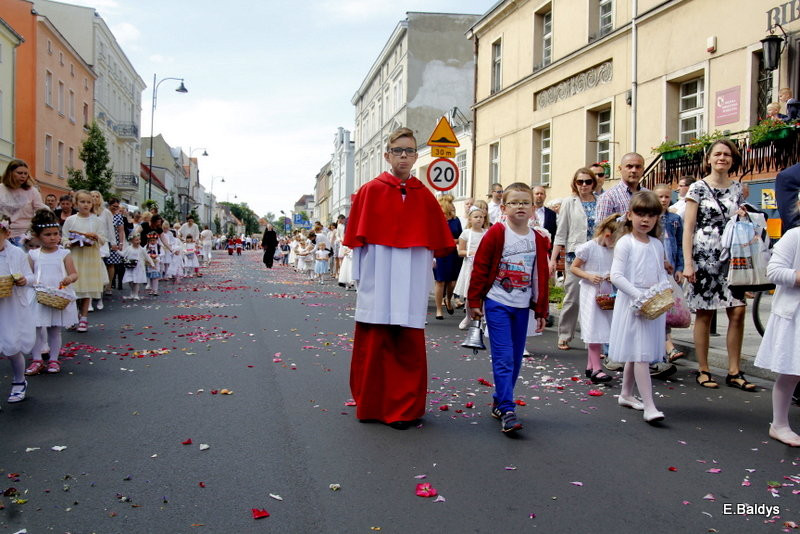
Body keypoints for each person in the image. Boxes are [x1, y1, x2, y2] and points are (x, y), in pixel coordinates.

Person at [343, 127, 454, 429]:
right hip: (378, 272)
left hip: (412, 274)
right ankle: (371, 404)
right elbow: (358, 242)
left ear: (416, 156)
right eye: (398, 151)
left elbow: (434, 242)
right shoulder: (370, 190)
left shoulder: (424, 195)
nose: (403, 156)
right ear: (387, 155)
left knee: (406, 341)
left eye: (409, 151)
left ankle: (404, 409)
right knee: (376, 340)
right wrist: (359, 279)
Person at [468, 182, 550, 434]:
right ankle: (507, 407)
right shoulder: (496, 233)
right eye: (514, 202)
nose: (520, 207)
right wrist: (474, 301)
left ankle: (499, 400)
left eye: (525, 202)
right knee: (503, 357)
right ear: (503, 207)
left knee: (515, 359)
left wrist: (541, 310)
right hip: (497, 302)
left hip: (522, 306)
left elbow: (541, 275)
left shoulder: (538, 238)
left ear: (534, 208)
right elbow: (480, 267)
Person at [682, 139, 754, 391]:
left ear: (732, 160)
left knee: (738, 310)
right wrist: (688, 263)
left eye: (727, 155)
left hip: (731, 258)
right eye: (718, 154)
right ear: (709, 159)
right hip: (704, 257)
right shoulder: (697, 188)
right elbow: (688, 228)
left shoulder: (738, 189)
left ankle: (734, 371)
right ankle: (703, 369)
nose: (722, 158)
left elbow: (742, 225)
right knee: (705, 312)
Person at [609, 191, 670, 423]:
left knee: (637, 353)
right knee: (641, 354)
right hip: (632, 305)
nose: (645, 220)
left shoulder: (656, 244)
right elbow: (616, 276)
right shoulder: (625, 242)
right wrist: (639, 295)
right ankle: (650, 406)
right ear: (629, 215)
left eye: (651, 215)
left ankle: (626, 393)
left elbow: (660, 271)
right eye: (640, 214)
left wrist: (663, 290)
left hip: (652, 304)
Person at [754, 201, 800, 446]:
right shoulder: (794, 236)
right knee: (792, 370)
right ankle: (779, 423)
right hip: (796, 314)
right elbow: (773, 271)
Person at [549, 168, 599, 350]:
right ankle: (565, 334)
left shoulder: (601, 201)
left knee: (597, 299)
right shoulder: (569, 203)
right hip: (575, 256)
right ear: (575, 183)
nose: (584, 185)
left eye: (587, 181)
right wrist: (553, 260)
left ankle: (595, 340)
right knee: (573, 297)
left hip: (597, 255)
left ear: (593, 183)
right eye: (580, 182)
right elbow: (561, 234)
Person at [25, 209, 78, 375]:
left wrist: (69, 279)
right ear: (38, 236)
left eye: (56, 234)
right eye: (48, 234)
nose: (53, 237)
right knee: (36, 327)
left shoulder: (64, 253)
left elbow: (74, 273)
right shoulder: (33, 254)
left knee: (54, 329)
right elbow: (29, 275)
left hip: (57, 294)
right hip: (39, 295)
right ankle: (37, 359)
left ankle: (54, 359)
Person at [570, 214, 619, 384]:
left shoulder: (612, 249)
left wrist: (612, 277)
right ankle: (597, 368)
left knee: (601, 326)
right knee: (594, 328)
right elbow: (574, 268)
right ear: (607, 235)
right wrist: (589, 276)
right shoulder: (588, 247)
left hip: (605, 291)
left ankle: (591, 366)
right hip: (590, 291)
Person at [0, 214, 36, 404]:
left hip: (10, 306)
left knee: (11, 346)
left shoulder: (16, 253)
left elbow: (30, 278)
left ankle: (19, 380)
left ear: (5, 233)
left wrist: (22, 280)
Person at [62, 190, 107, 332]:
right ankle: (74, 315)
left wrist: (96, 237)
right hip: (75, 256)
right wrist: (69, 243)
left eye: (88, 202)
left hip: (90, 257)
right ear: (76, 204)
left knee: (87, 287)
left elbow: (103, 239)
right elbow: (63, 238)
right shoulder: (70, 220)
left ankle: (84, 318)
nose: (86, 205)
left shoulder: (97, 221)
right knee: (74, 288)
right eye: (82, 202)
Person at [654, 183, 686, 364]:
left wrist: (680, 268)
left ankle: (665, 349)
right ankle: (668, 348)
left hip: (671, 271)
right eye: (660, 197)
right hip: (656, 272)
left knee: (668, 311)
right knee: (658, 311)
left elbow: (680, 245)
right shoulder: (650, 219)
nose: (664, 200)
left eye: (667, 196)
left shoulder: (675, 219)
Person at [455, 203, 489, 330]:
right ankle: (469, 316)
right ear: (470, 219)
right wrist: (472, 253)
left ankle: (481, 318)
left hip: (484, 266)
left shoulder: (487, 233)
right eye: (476, 217)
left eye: (481, 217)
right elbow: (460, 252)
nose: (479, 219)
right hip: (470, 266)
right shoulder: (466, 233)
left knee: (483, 293)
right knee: (470, 293)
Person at [0, 160, 48, 246]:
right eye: (19, 173)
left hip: (24, 234)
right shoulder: (1, 189)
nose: (23, 176)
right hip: (2, 234)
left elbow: (41, 212)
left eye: (25, 174)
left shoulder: (32, 191)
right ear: (10, 173)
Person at [432, 195, 463, 320]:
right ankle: (439, 309)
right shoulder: (435, 220)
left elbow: (461, 237)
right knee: (440, 281)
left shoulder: (456, 220)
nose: (453, 206)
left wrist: (454, 241)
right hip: (439, 253)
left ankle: (448, 299)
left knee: (452, 282)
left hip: (453, 253)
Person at [595, 152, 646, 223]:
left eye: (638, 167)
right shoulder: (608, 197)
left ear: (643, 170)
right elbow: (601, 229)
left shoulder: (648, 195)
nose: (634, 170)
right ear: (620, 169)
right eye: (629, 166)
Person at [101, 196, 126, 298]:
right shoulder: (103, 214)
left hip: (114, 242)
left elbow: (121, 231)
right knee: (102, 263)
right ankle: (102, 283)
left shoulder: (118, 216)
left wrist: (121, 243)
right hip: (103, 240)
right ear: (109, 205)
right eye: (113, 206)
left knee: (111, 264)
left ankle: (109, 285)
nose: (115, 208)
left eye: (117, 206)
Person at [122, 233, 153, 300]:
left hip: (138, 267)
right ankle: (133, 292)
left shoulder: (141, 249)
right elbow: (123, 254)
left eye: (139, 240)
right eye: (136, 240)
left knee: (136, 282)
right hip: (130, 267)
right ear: (131, 241)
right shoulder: (129, 248)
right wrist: (116, 251)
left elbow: (147, 257)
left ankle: (135, 294)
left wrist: (152, 264)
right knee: (130, 281)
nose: (138, 241)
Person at [145, 231, 163, 296]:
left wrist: (157, 256)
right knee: (150, 278)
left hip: (156, 263)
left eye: (154, 240)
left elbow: (162, 253)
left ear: (156, 240)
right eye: (151, 240)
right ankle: (151, 289)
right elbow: (144, 253)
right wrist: (148, 254)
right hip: (149, 264)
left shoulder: (158, 246)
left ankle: (155, 290)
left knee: (155, 278)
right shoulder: (147, 246)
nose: (152, 242)